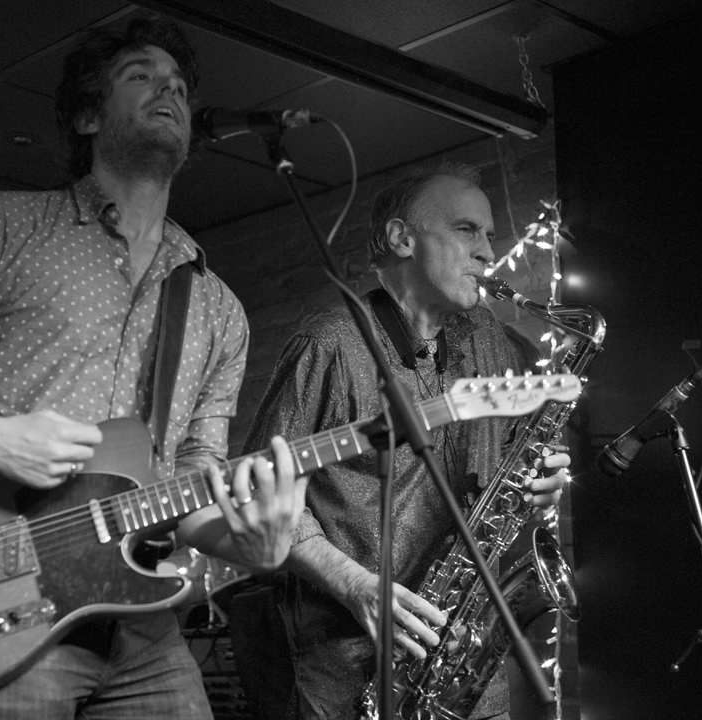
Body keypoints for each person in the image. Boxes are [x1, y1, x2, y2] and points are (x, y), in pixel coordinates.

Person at [0, 17, 306, 720]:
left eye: (179, 86)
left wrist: (250, 543)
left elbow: (190, 488)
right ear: (87, 117)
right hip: (3, 605)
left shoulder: (218, 308)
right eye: (141, 76)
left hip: (141, 622)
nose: (169, 92)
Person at [240, 163, 570, 720]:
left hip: (463, 663)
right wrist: (355, 585)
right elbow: (256, 494)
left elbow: (521, 458)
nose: (488, 252)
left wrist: (545, 479)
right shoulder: (329, 345)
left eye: (490, 235)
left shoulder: (491, 340)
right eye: (466, 230)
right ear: (401, 238)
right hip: (343, 668)